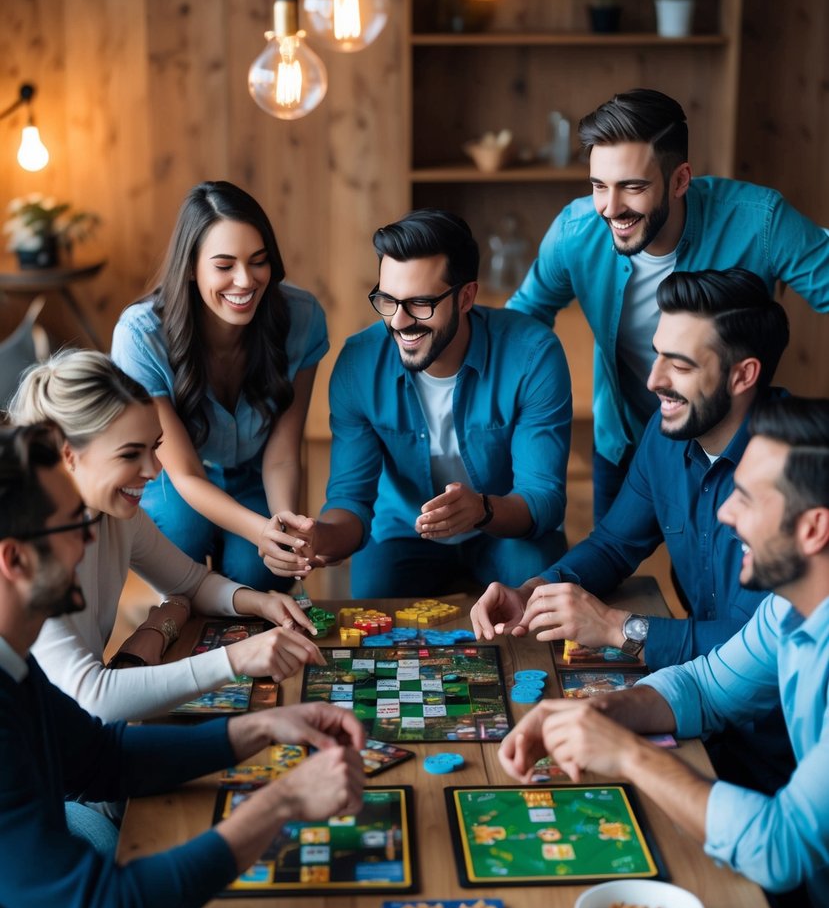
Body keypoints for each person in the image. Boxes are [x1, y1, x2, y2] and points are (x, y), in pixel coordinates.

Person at [0, 423, 365, 908]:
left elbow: (102, 759)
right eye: (71, 523)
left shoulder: (11, 665)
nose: (90, 537)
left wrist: (257, 729)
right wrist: (279, 803)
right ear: (14, 560)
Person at [497, 396, 829, 908]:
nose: (725, 512)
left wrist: (625, 754)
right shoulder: (791, 606)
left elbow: (779, 846)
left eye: (749, 499)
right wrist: (593, 713)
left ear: (812, 530)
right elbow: (705, 687)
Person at [506, 88, 829, 519]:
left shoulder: (760, 220)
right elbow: (519, 326)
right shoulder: (575, 231)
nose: (611, 208)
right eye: (599, 186)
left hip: (730, 448)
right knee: (608, 570)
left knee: (719, 583)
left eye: (633, 187)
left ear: (680, 180)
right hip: (623, 442)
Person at [472, 268, 790, 670]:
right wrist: (536, 592)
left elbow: (758, 648)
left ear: (743, 375)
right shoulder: (666, 433)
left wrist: (615, 626)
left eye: (681, 365)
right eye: (657, 354)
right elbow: (614, 545)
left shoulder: (799, 471)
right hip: (699, 692)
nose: (653, 381)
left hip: (780, 721)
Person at [7, 350, 327, 722]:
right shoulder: (26, 551)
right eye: (130, 455)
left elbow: (190, 582)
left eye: (154, 448)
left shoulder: (114, 515)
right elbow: (92, 698)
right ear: (69, 456)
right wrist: (235, 657)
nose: (154, 470)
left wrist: (261, 603)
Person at [279, 209, 572, 598]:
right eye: (388, 300)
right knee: (372, 619)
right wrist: (321, 539)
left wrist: (482, 509)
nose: (399, 322)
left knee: (540, 601)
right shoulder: (359, 364)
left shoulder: (533, 355)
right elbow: (351, 498)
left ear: (466, 296)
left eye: (420, 303)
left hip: (504, 528)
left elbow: (543, 499)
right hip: (402, 530)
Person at [111, 180, 329, 591]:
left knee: (260, 573)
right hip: (174, 476)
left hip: (255, 472)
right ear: (191, 268)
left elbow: (282, 454)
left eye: (258, 261)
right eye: (224, 266)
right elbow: (187, 473)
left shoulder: (302, 318)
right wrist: (258, 530)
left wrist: (282, 526)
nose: (245, 281)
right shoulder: (141, 335)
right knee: (181, 537)